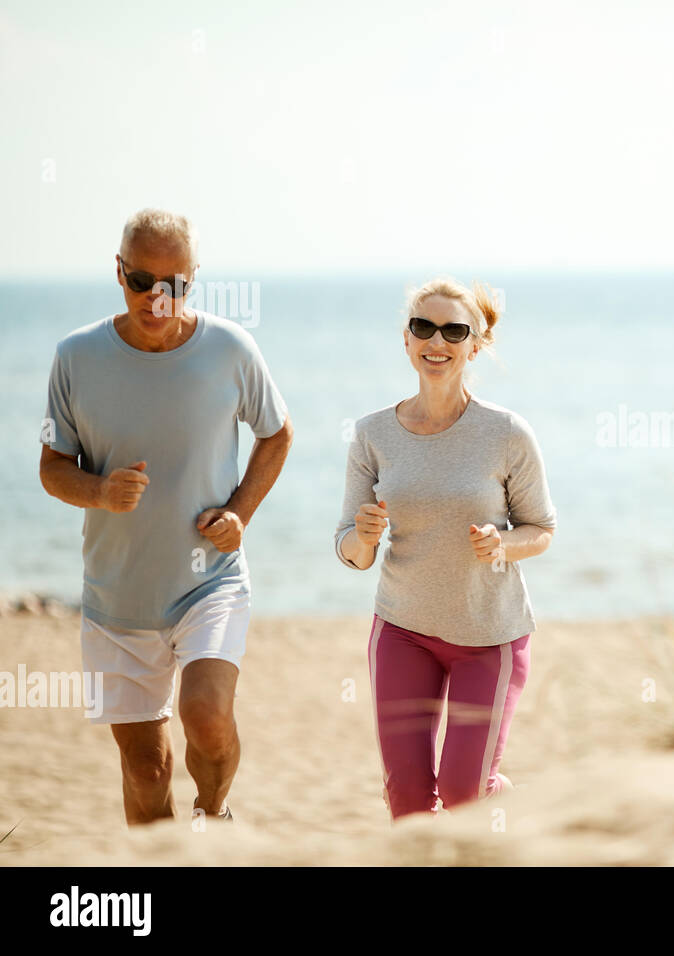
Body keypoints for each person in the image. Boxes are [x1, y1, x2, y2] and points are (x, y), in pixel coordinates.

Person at [38, 209, 293, 825]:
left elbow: (277, 435)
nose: (158, 299)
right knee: (145, 770)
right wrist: (99, 493)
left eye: (175, 285)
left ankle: (213, 815)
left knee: (206, 717)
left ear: (194, 278)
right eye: (143, 282)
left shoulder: (231, 348)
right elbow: (51, 467)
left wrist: (241, 512)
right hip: (115, 596)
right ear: (118, 272)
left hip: (210, 582)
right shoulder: (75, 356)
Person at [335, 277, 555, 819]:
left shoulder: (506, 433)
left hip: (490, 634)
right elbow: (351, 551)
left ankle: (514, 812)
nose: (438, 341)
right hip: (403, 631)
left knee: (464, 794)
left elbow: (542, 529)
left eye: (454, 330)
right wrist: (363, 538)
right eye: (423, 327)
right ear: (407, 340)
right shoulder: (371, 435)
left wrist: (501, 545)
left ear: (475, 345)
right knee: (407, 803)